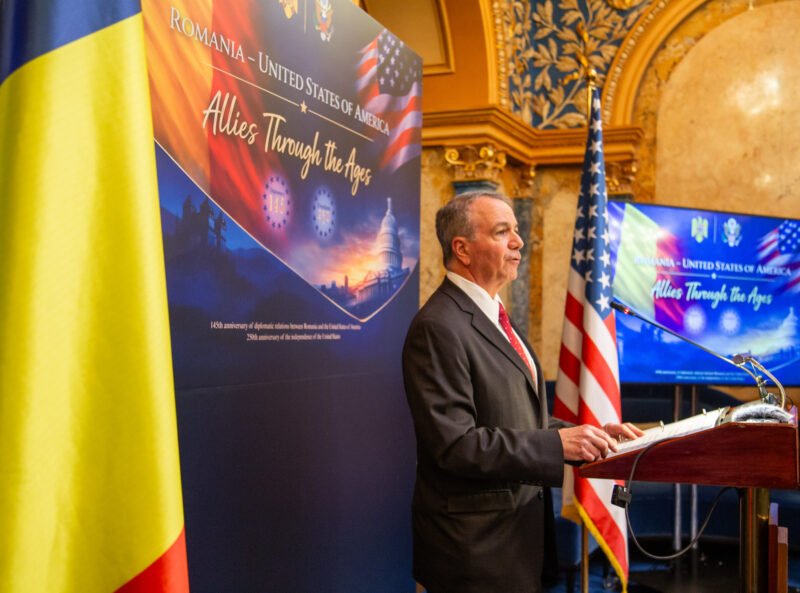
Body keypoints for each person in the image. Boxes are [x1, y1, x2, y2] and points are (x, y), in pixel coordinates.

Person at [402, 191, 643, 593]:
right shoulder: (438, 327)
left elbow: (518, 418)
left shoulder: (493, 315)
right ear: (461, 248)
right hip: (474, 551)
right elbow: (455, 445)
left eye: (516, 229)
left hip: (514, 540)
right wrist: (556, 446)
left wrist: (590, 434)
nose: (519, 241)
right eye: (502, 232)